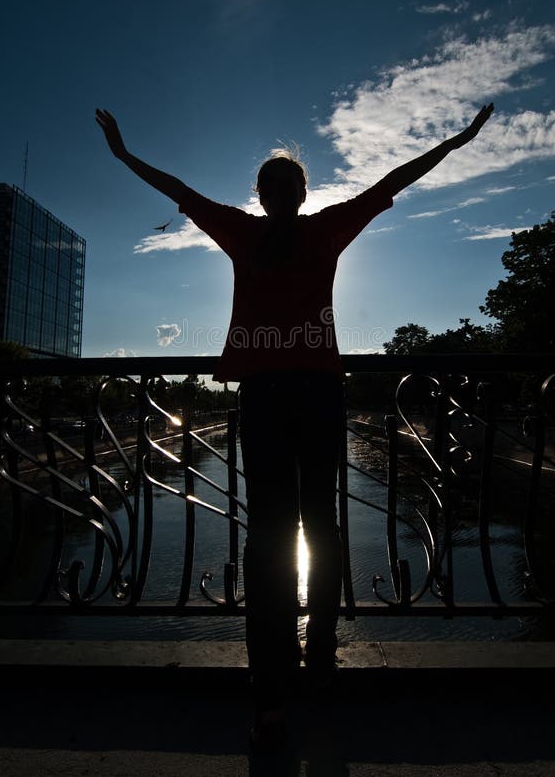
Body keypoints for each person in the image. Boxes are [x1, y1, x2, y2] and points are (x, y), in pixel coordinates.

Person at [95, 102, 494, 746]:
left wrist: (122, 154)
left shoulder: (241, 233)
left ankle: (270, 694)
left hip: (265, 399)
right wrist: (457, 140)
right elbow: (394, 181)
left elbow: (176, 189)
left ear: (260, 195)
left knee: (269, 537)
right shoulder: (324, 230)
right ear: (303, 194)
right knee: (322, 528)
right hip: (316, 396)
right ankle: (322, 659)